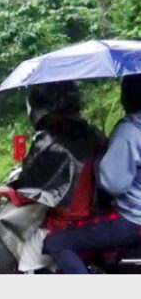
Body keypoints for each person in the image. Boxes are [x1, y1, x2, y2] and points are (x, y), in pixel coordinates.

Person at [0, 81, 107, 273]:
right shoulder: (91, 132)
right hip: (95, 216)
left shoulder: (52, 140)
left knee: (25, 265)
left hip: (65, 221)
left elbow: (30, 191)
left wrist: (0, 190)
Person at [41, 74, 141, 274]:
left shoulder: (129, 130)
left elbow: (113, 183)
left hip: (132, 219)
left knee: (57, 242)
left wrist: (101, 162)